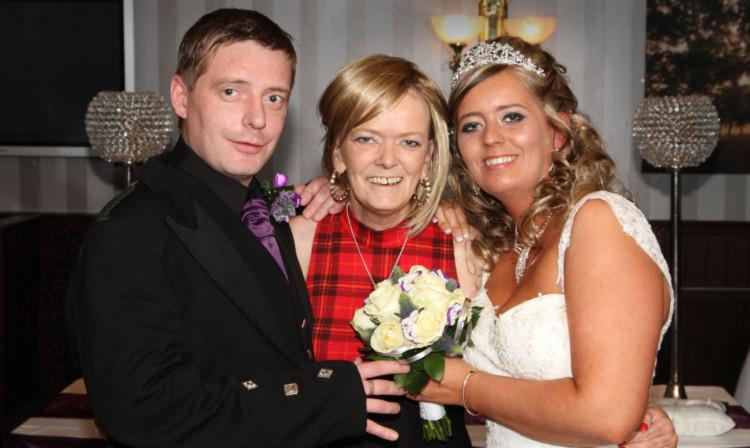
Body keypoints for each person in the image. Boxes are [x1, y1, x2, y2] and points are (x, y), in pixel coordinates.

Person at [65, 9, 409, 448]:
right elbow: (143, 409)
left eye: (274, 98)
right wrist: (327, 395)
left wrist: (337, 191)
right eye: (231, 92)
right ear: (181, 96)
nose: (257, 119)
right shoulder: (129, 232)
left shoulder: (274, 205)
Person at [412, 36, 677, 448]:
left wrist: (466, 387)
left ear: (558, 131)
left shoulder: (597, 220)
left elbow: (606, 415)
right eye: (471, 125)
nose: (491, 138)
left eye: (512, 117)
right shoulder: (496, 249)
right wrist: (329, 188)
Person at [290, 54, 481, 447]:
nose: (388, 159)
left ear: (428, 157)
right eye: (366, 138)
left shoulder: (463, 245)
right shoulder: (300, 240)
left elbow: (503, 385)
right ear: (339, 152)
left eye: (408, 142)